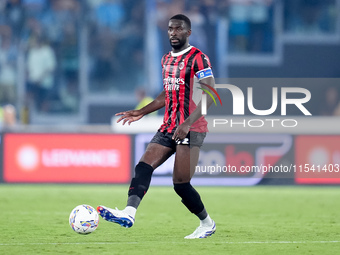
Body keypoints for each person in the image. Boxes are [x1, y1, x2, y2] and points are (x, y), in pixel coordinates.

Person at [97, 14, 216, 239]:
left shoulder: (199, 58)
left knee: (181, 184)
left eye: (178, 29)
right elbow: (166, 94)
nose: (173, 32)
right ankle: (129, 213)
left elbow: (211, 95)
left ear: (188, 33)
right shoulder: (166, 60)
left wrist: (188, 123)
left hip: (192, 127)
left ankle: (207, 223)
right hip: (169, 125)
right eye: (170, 29)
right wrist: (141, 111)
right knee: (143, 166)